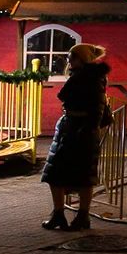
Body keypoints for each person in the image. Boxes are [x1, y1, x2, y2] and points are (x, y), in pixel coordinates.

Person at [41, 43, 111, 231]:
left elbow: (97, 108)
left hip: (79, 130)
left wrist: (88, 130)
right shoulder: (83, 76)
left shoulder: (91, 78)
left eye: (72, 57)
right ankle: (63, 215)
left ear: (81, 59)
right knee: (60, 174)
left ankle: (78, 216)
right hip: (71, 127)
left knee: (80, 175)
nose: (68, 60)